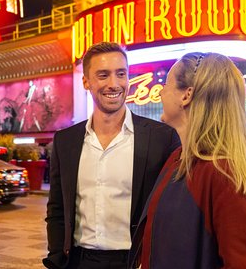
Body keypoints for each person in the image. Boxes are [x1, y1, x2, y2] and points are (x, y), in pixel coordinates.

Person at [130, 52, 246, 268]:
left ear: (186, 95)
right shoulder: (177, 159)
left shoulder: (226, 173)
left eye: (167, 84)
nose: (160, 93)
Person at [44, 42, 180, 269]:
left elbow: (173, 211)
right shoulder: (65, 141)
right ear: (86, 81)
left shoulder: (162, 138)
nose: (114, 84)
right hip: (79, 261)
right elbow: (57, 207)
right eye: (103, 75)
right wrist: (57, 255)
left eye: (121, 74)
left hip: (134, 261)